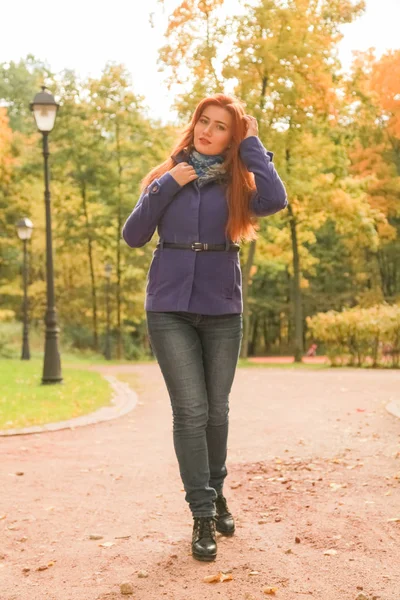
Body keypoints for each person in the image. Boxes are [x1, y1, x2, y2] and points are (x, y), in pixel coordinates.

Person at [122, 93, 287, 562]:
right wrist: (166, 184)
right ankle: (201, 513)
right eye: (203, 121)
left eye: (220, 127)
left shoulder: (239, 184)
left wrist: (253, 144)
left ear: (232, 138)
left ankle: (217, 492)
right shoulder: (164, 178)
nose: (207, 130)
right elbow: (134, 236)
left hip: (221, 307)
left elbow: (275, 200)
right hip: (169, 307)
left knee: (217, 410)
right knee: (191, 411)